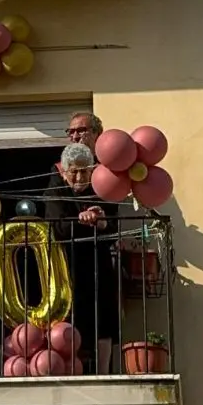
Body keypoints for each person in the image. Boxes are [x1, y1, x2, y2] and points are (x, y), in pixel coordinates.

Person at [44, 143, 123, 374]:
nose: (79, 176)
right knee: (69, 321)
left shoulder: (102, 188)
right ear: (65, 171)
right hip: (67, 267)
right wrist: (81, 220)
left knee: (104, 320)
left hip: (99, 265)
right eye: (74, 171)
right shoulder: (56, 189)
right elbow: (56, 226)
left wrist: (103, 221)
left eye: (85, 171)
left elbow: (114, 225)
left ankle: (104, 371)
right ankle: (71, 370)